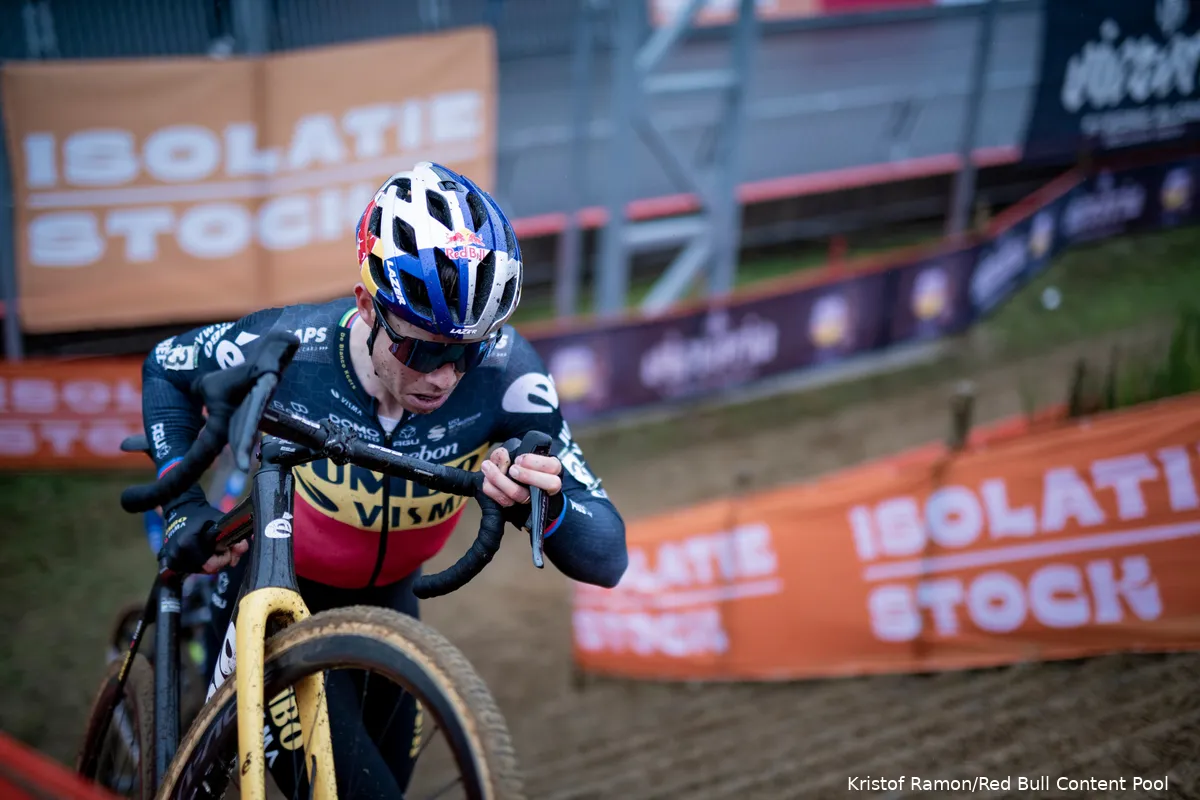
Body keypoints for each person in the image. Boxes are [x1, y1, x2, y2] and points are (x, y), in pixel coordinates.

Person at [140, 161, 628, 796]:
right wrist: (181, 506)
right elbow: (164, 369)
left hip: (393, 608)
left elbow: (609, 556)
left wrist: (550, 503)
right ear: (368, 305)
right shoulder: (294, 347)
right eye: (424, 349)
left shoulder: (509, 377)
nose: (446, 376)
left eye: (468, 350)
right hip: (285, 597)